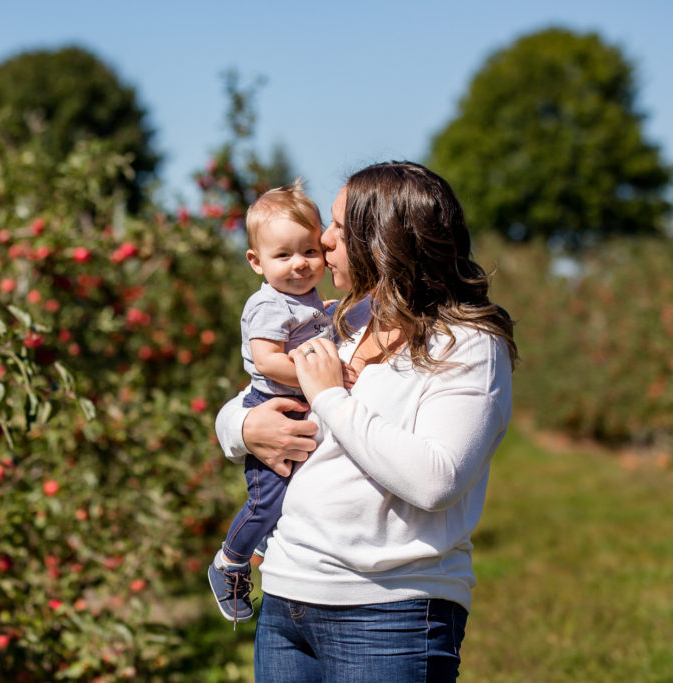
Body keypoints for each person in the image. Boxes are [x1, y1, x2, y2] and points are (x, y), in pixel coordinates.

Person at [214, 161, 517, 681]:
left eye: (336, 227)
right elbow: (251, 396)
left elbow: (436, 479)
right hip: (289, 598)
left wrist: (330, 397)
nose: (324, 240)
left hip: (389, 610)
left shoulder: (466, 344)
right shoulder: (344, 324)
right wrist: (241, 430)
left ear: (382, 242)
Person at [208, 180, 333, 624]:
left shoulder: (309, 300)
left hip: (295, 402)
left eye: (310, 251)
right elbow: (267, 359)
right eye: (284, 256)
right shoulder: (268, 306)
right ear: (256, 262)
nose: (299, 264)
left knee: (291, 491)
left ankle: (262, 543)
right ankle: (231, 562)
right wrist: (320, 373)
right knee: (267, 499)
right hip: (273, 401)